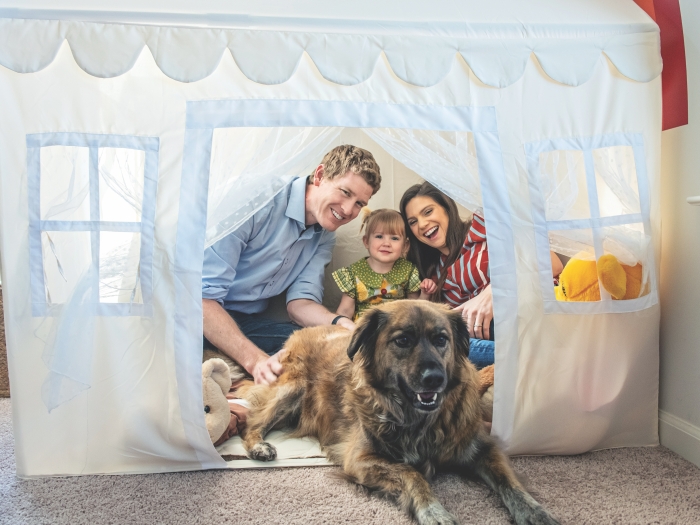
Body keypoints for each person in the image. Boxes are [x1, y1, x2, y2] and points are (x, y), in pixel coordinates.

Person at [202, 145, 382, 385]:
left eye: (360, 203)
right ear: (319, 175)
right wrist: (256, 361)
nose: (349, 210)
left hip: (245, 323)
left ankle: (236, 387)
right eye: (345, 192)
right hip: (198, 316)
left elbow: (300, 304)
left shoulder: (325, 234)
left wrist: (343, 326)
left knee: (334, 352)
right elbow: (201, 299)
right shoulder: (254, 198)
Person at [400, 182, 563, 368]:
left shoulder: (483, 226)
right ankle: (526, 359)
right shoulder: (433, 275)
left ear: (446, 208)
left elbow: (553, 263)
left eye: (428, 212)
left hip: (525, 316)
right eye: (412, 222)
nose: (422, 224)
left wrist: (493, 292)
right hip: (486, 340)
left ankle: (534, 356)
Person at [332, 208, 436, 321]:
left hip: (397, 328)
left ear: (405, 246)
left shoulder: (408, 271)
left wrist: (425, 294)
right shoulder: (353, 274)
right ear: (366, 241)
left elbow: (415, 307)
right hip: (365, 329)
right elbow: (344, 312)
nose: (386, 243)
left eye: (394, 238)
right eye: (379, 236)